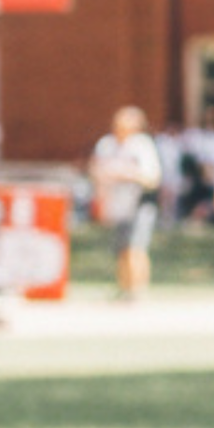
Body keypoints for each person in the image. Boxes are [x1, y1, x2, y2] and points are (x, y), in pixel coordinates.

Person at [89, 106, 162, 298]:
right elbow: (97, 171)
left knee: (135, 247)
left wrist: (128, 174)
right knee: (121, 249)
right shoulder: (106, 144)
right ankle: (124, 288)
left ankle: (138, 289)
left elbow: (152, 178)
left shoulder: (141, 145)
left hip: (139, 203)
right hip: (116, 204)